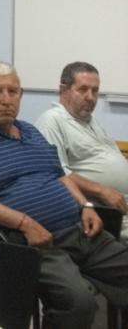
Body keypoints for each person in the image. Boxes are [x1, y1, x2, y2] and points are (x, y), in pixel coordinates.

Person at [0, 61, 128, 329]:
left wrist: (86, 204)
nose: (6, 99)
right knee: (79, 303)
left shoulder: (31, 131)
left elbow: (61, 176)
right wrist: (24, 223)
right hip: (32, 242)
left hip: (80, 231)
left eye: (13, 91)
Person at [36, 62, 128, 237]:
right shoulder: (52, 121)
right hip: (103, 213)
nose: (90, 97)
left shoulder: (91, 121)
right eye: (83, 89)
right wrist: (102, 190)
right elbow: (57, 174)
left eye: (95, 90)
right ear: (63, 90)